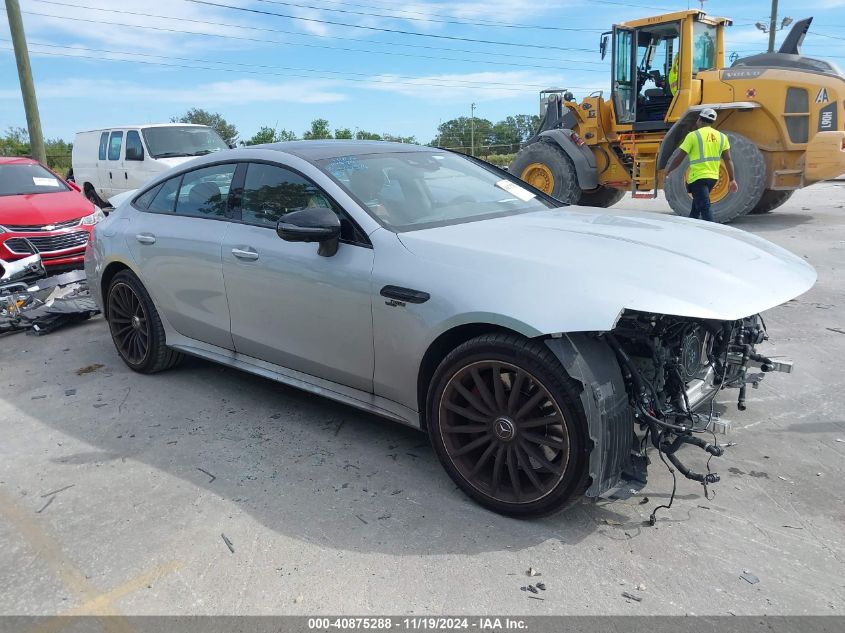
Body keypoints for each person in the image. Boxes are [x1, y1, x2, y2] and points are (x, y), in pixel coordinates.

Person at [664, 108, 738, 222]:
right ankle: (691, 229)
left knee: (705, 208)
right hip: (713, 178)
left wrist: (669, 170)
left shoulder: (693, 136)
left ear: (699, 120)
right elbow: (728, 159)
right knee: (696, 209)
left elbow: (679, 157)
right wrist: (732, 179)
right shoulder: (722, 137)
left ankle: (713, 233)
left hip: (698, 178)